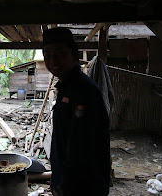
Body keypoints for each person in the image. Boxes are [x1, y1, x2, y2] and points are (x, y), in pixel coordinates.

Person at [43, 27, 111, 195]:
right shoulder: (65, 87)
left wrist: (64, 184)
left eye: (60, 53)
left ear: (74, 55)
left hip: (84, 185)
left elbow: (82, 147)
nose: (53, 60)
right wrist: (57, 177)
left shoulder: (84, 90)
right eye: (47, 55)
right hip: (69, 181)